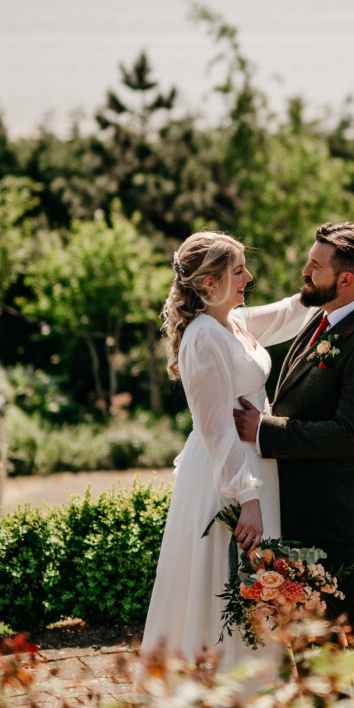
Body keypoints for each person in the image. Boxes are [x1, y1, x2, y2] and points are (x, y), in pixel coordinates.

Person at [232, 221, 354, 656]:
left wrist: (262, 430)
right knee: (311, 631)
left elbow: (348, 435)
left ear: (345, 279)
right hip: (303, 507)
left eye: (315, 266)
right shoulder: (323, 314)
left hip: (343, 516)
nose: (304, 272)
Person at [138, 231, 310, 673]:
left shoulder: (232, 323)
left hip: (254, 466)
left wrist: (331, 287)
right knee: (224, 580)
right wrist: (247, 499)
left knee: (256, 584)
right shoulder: (202, 338)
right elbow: (215, 430)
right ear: (209, 283)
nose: (249, 277)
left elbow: (287, 314)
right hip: (227, 477)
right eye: (238, 271)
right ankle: (220, 690)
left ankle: (258, 689)